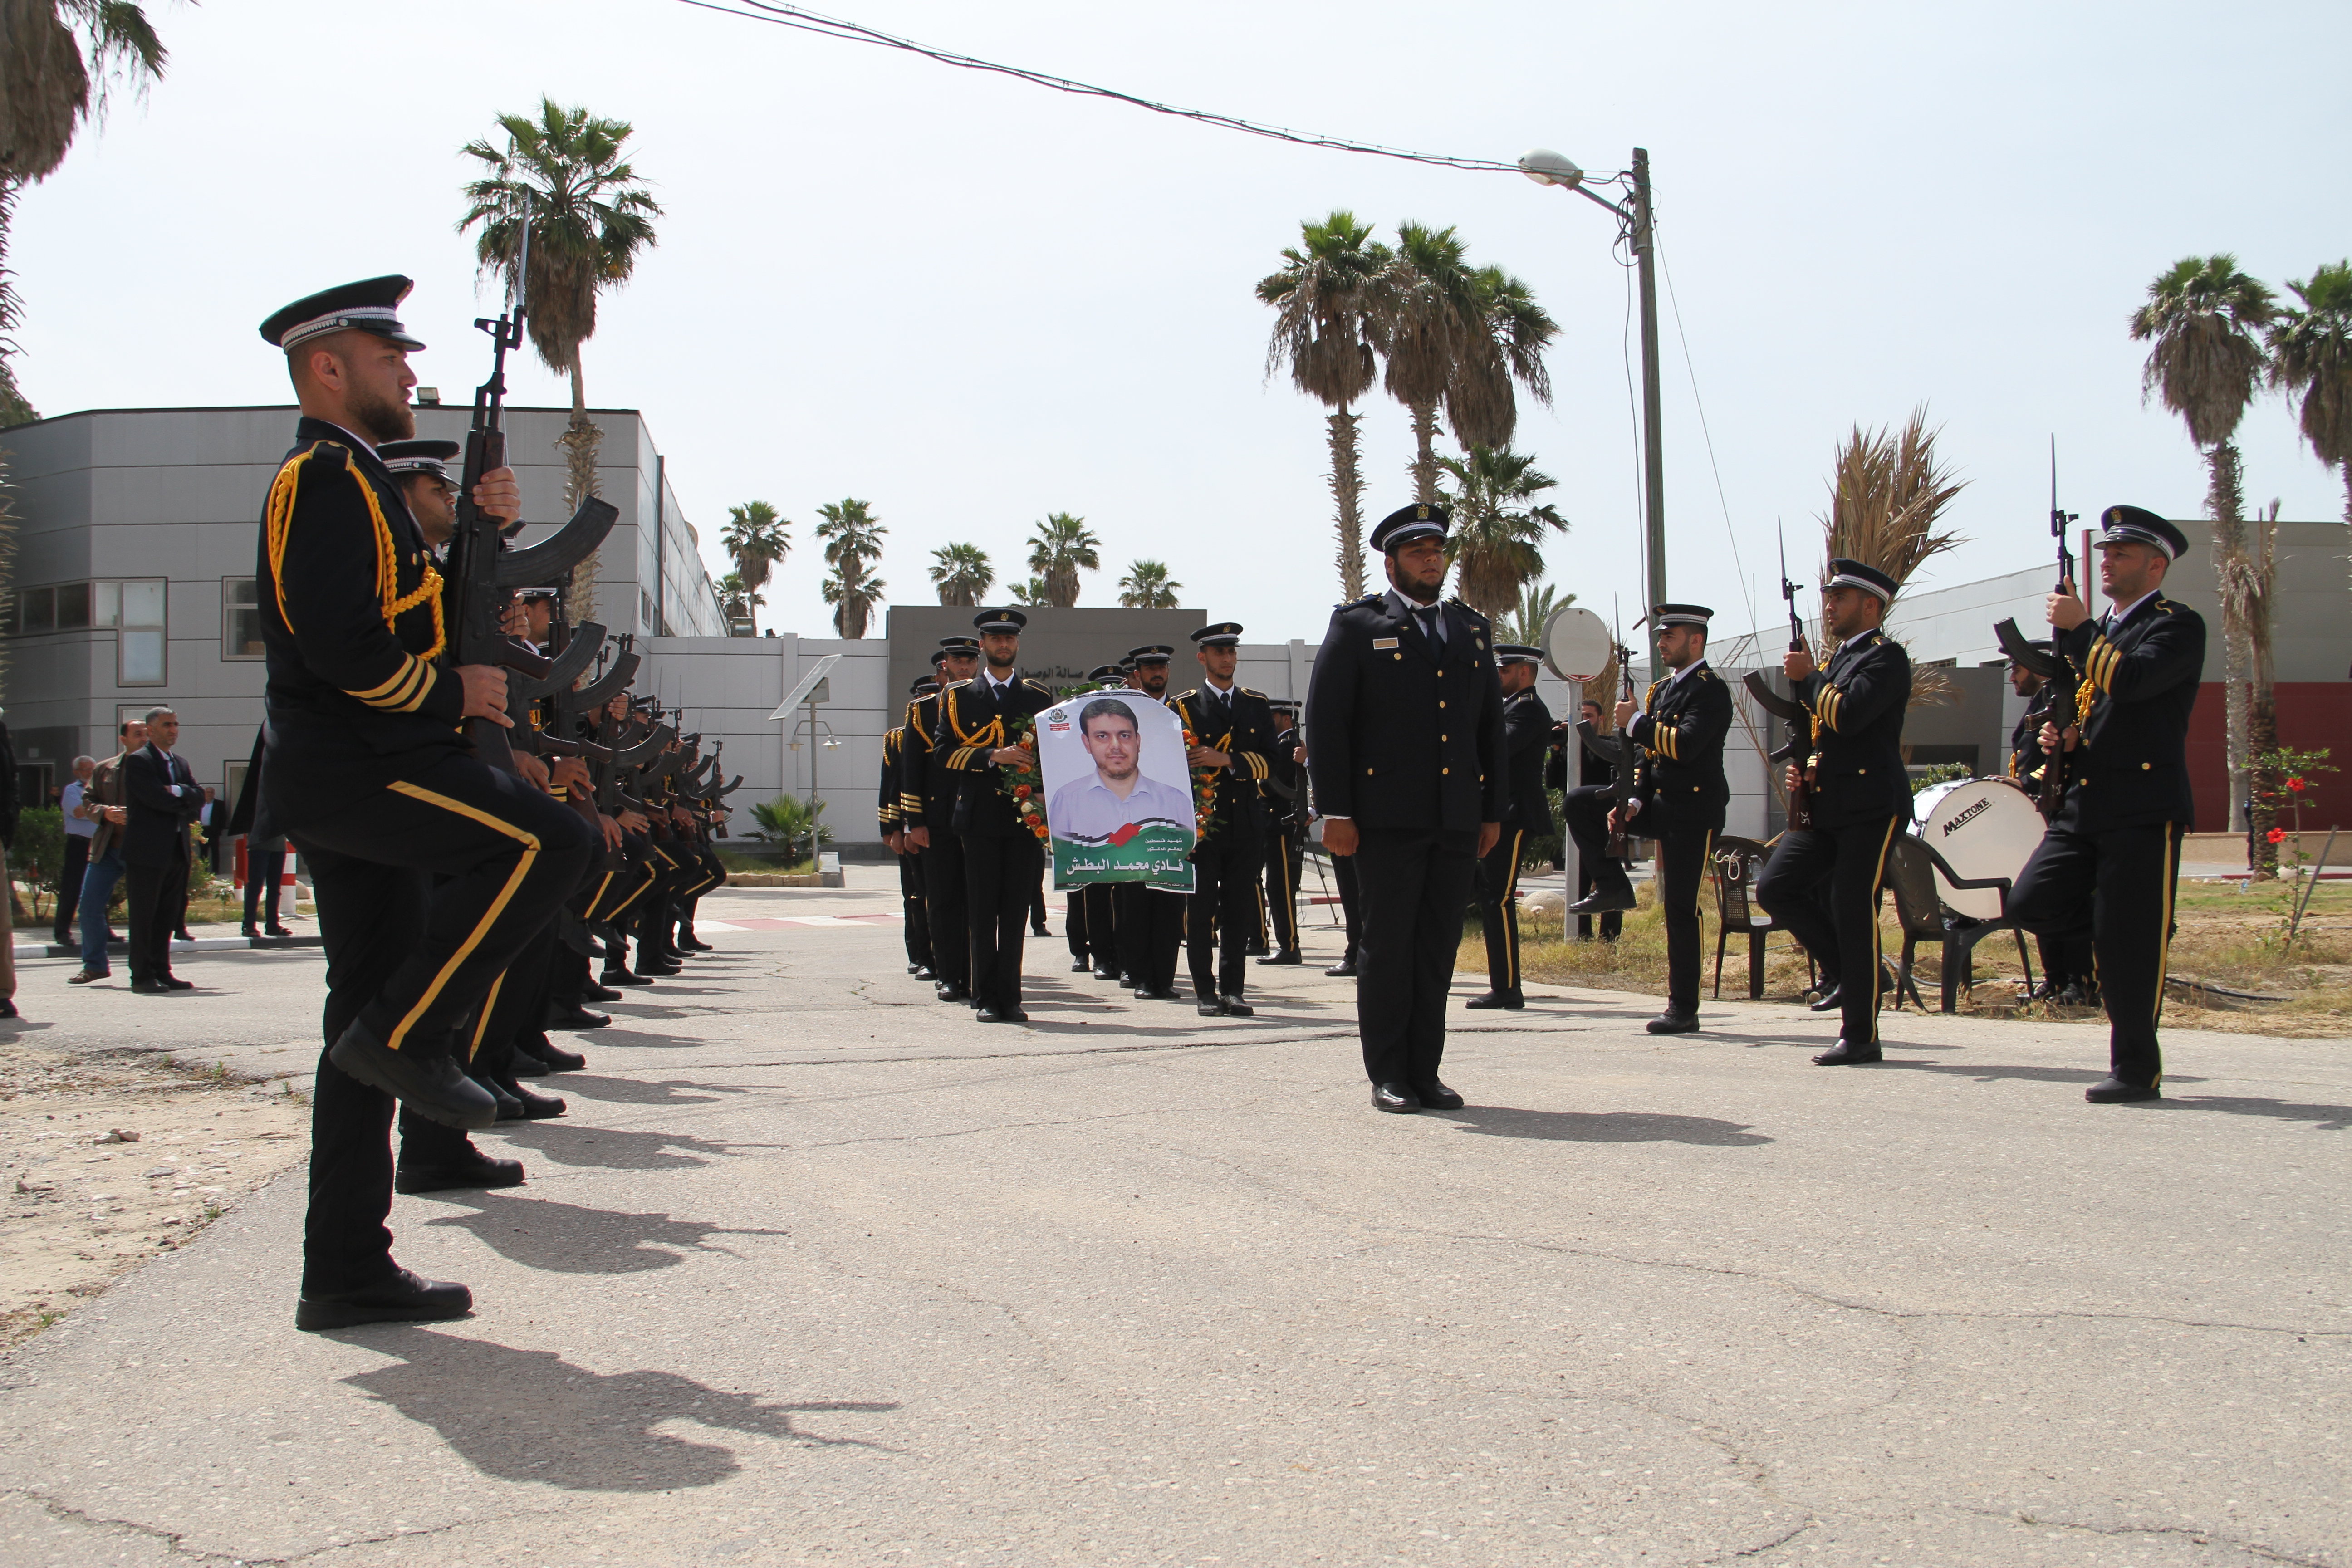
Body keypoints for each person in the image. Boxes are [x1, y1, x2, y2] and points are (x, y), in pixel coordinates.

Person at [258, 275, 593, 1329]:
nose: (407, 371)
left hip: (365, 760)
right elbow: (343, 645)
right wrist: (456, 693)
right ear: (328, 367)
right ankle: (412, 1033)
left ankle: (345, 1263)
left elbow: (412, 614)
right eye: (386, 355)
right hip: (362, 760)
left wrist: (481, 539)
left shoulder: (357, 482)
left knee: (353, 1014)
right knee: (555, 845)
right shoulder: (323, 477)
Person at [1304, 503, 1507, 1113]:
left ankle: (1426, 1070)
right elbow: (1328, 722)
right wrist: (1334, 810)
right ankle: (1388, 1071)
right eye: (1418, 552)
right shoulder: (1359, 626)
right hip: (1385, 818)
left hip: (1454, 817)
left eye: (1437, 551)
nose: (1430, 560)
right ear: (1391, 562)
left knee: (1437, 946)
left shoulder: (1470, 629)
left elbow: (1489, 728)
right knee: (1388, 945)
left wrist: (1491, 810)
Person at [2010, 507, 2205, 1104]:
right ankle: (2115, 925)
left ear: (2156, 565)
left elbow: (2131, 683)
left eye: (2122, 555)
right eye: (2107, 553)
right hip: (2085, 804)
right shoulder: (2105, 632)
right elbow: (2096, 703)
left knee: (2132, 945)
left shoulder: (2176, 626)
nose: (2108, 562)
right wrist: (2064, 735)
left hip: (2142, 805)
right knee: (2030, 901)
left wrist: (2082, 629)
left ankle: (2136, 1070)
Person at [1753, 559, 1913, 1065]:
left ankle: (1861, 1035)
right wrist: (1804, 767)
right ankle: (1854, 972)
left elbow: (1846, 714)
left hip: (1872, 804)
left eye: (1840, 598)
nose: (1829, 606)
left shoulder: (1886, 659)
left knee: (1851, 905)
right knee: (1777, 888)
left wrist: (1810, 678)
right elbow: (1816, 730)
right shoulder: (1841, 661)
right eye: (1828, 597)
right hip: (1828, 805)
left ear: (1871, 606)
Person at [1611, 606, 1733, 1034]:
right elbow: (1650, 759)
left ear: (1695, 641)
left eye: (1671, 635)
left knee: (1680, 906)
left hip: (1694, 811)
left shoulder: (1711, 691)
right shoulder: (1661, 690)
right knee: (1582, 805)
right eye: (1661, 635)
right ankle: (1610, 885)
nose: (1662, 642)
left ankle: (1684, 1007)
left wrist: (1637, 724)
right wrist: (1634, 803)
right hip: (1660, 805)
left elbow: (1684, 746)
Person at [932, 609, 1055, 1022]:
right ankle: (985, 996)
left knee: (1016, 909)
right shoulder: (957, 696)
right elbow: (942, 753)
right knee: (983, 910)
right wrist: (991, 756)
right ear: (982, 644)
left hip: (1025, 820)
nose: (1003, 645)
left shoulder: (1038, 697)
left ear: (1017, 644)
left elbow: (1053, 756)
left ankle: (1012, 996)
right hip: (980, 817)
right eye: (995, 639)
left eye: (1010, 639)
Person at [1171, 623, 1276, 1018]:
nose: (1227, 658)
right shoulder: (1182, 707)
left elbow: (1272, 761)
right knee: (1200, 911)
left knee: (1239, 909)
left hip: (1247, 820)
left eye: (1231, 651)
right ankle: (1204, 990)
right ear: (1203, 658)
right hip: (1202, 825)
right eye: (1218, 652)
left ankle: (1234, 990)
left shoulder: (1256, 704)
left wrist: (1228, 760)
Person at [2004, 643, 2096, 1005]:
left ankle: (2081, 981)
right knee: (2041, 898)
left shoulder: (2067, 695)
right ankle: (2055, 978)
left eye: (2017, 667)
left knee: (2063, 897)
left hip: (2060, 806)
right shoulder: (2042, 698)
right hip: (2040, 810)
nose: (2012, 675)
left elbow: (2063, 758)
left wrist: (2025, 784)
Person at [1467, 645, 1553, 1010]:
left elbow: (1499, 749)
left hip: (1515, 816)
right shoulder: (1508, 708)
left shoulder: (1529, 709)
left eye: (1503, 671)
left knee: (1498, 899)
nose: (1497, 676)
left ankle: (1506, 988)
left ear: (1524, 672)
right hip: (1500, 812)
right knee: (1477, 892)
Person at [899, 639, 980, 1002]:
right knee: (944, 901)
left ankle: (980, 975)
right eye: (957, 661)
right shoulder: (922, 711)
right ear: (944, 666)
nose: (963, 667)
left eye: (969, 661)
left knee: (979, 902)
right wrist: (914, 822)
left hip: (980, 818)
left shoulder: (985, 704)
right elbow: (911, 772)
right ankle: (950, 975)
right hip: (938, 821)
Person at [121, 706, 220, 994]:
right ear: (151, 730)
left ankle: (162, 970)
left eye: (176, 724)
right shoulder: (139, 762)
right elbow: (155, 799)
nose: (173, 730)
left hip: (177, 850)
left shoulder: (180, 763)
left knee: (168, 914)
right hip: (147, 851)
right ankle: (141, 976)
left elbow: (199, 796)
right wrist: (183, 797)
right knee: (144, 915)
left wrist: (176, 791)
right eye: (167, 725)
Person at [1114, 645, 1189, 998]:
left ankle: (1166, 977)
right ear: (1138, 674)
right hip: (1131, 819)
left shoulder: (1183, 713)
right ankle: (1141, 975)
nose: (1157, 673)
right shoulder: (1123, 715)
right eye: (1150, 668)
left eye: (1162, 667)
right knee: (1135, 902)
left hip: (1173, 821)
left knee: (1171, 904)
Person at [67, 718, 142, 985]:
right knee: (89, 907)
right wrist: (106, 813)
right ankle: (95, 965)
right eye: (137, 734)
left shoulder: (160, 768)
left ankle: (147, 968)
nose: (144, 738)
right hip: (107, 850)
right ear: (124, 739)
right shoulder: (105, 769)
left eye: (147, 733)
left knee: (146, 911)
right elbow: (89, 801)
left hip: (142, 851)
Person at [881, 676, 937, 980]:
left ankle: (943, 957)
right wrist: (894, 829)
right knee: (915, 896)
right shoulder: (898, 739)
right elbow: (893, 786)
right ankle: (918, 954)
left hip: (940, 824)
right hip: (910, 826)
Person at [1556, 699, 1624, 941]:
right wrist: (1558, 749)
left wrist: (1583, 739)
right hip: (1579, 825)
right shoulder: (1568, 748)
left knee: (1610, 879)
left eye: (1590, 716)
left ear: (1601, 719)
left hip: (1606, 824)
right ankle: (1581, 935)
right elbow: (1554, 782)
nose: (1585, 720)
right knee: (1579, 882)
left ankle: (1610, 937)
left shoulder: (1610, 745)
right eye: (1581, 716)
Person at [1260, 701, 1306, 965]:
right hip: (1274, 824)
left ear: (1286, 718)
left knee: (1282, 887)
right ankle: (1286, 944)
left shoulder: (1287, 746)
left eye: (1274, 716)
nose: (1270, 721)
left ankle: (1289, 946)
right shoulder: (1281, 745)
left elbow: (1272, 785)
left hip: (1281, 825)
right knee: (1275, 886)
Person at [54, 755, 97, 947]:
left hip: (98, 843)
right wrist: (100, 811)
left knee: (99, 888)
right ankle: (62, 931)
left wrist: (94, 810)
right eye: (86, 770)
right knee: (72, 888)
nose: (90, 773)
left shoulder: (100, 790)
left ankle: (103, 931)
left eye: (92, 770)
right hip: (79, 844)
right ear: (77, 772)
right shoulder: (72, 790)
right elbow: (78, 812)